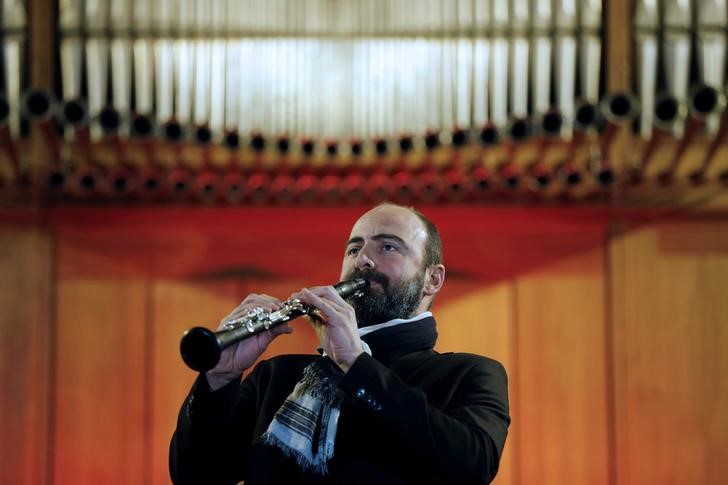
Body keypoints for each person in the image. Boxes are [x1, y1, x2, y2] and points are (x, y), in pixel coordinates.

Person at [170, 203, 510, 484]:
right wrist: (220, 379)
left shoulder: (469, 373)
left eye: (388, 246)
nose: (362, 259)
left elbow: (473, 467)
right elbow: (195, 476)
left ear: (432, 279)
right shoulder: (276, 376)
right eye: (354, 247)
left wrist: (358, 366)